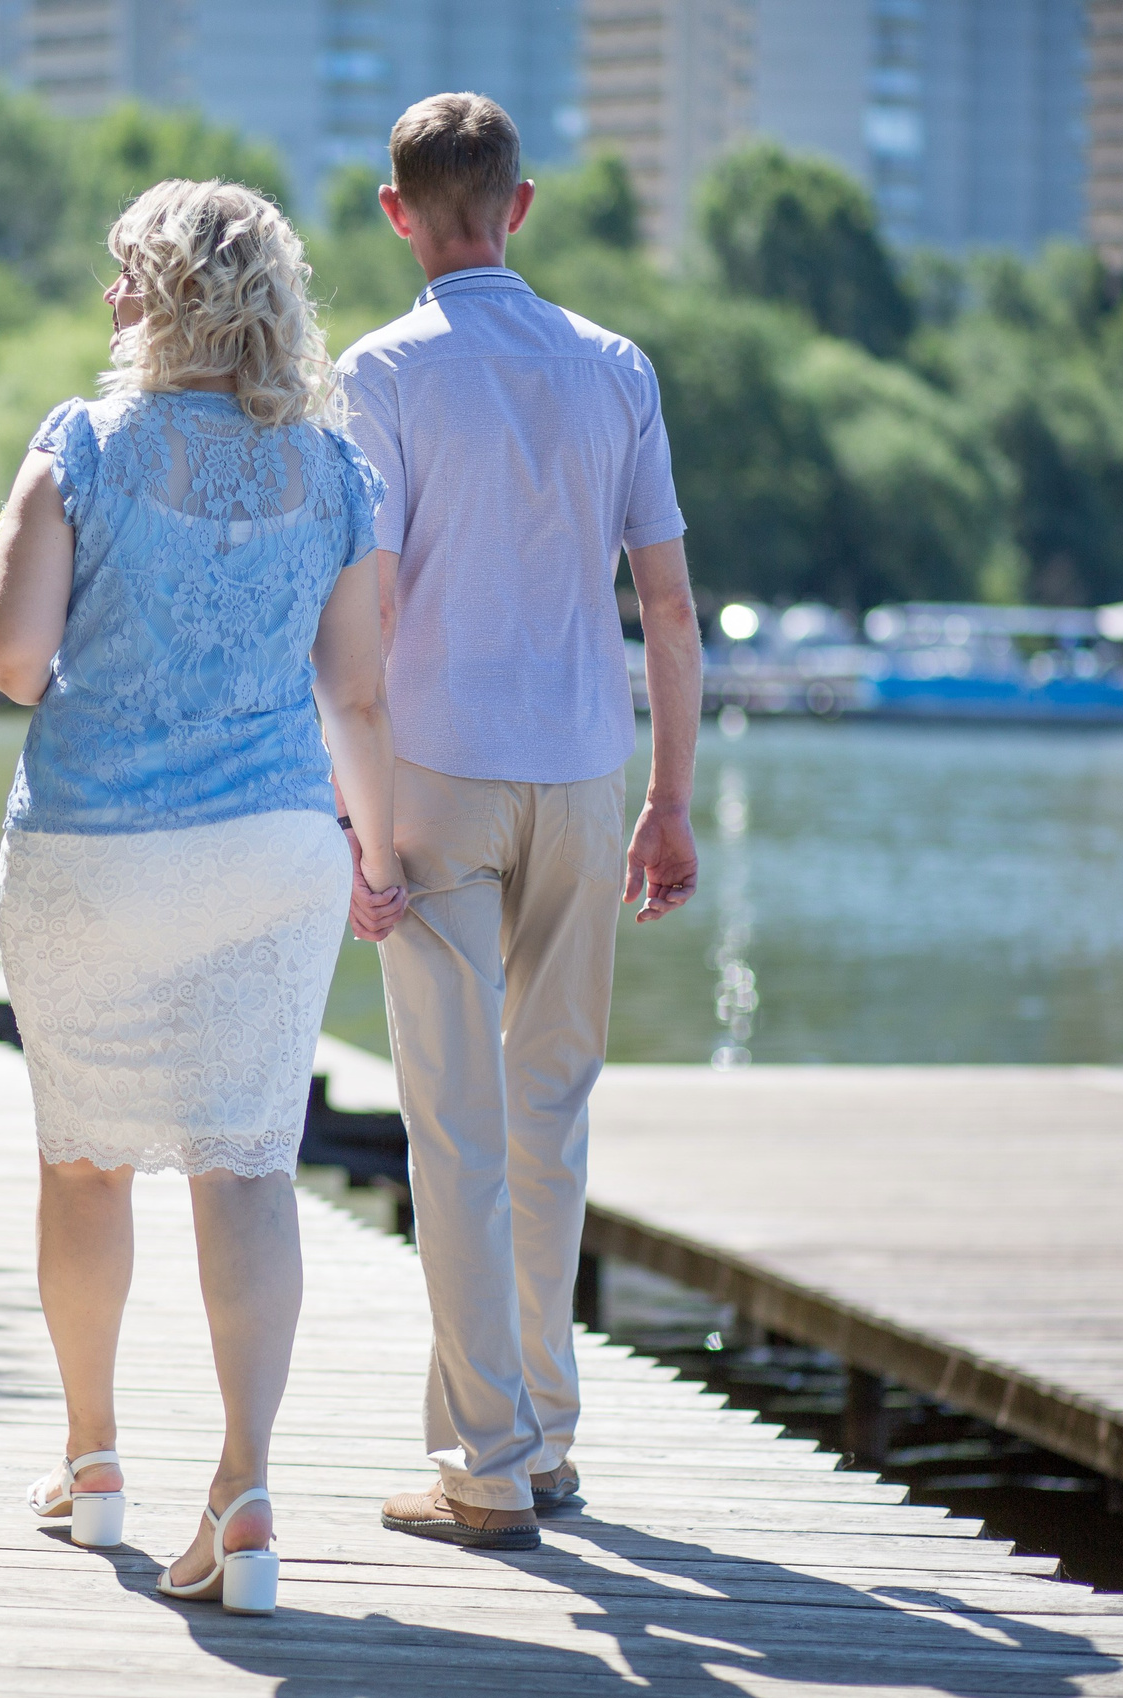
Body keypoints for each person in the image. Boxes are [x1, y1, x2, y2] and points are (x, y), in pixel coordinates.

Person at [0, 179, 403, 1618]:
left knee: (84, 1159)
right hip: (273, 852)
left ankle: (93, 1461)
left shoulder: (81, 444)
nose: (109, 305)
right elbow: (353, 688)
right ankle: (251, 1482)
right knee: (247, 1163)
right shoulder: (338, 471)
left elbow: (14, 660)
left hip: (92, 850)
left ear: (173, 296)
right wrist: (380, 849)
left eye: (126, 278)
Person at [331, 95, 703, 1552]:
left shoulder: (381, 374)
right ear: (522, 206)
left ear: (398, 211)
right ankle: (542, 1435)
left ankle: (484, 1462)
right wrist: (669, 801)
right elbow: (666, 604)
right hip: (580, 768)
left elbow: (368, 611)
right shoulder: (616, 368)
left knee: (454, 1122)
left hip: (436, 770)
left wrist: (352, 819)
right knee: (550, 1111)